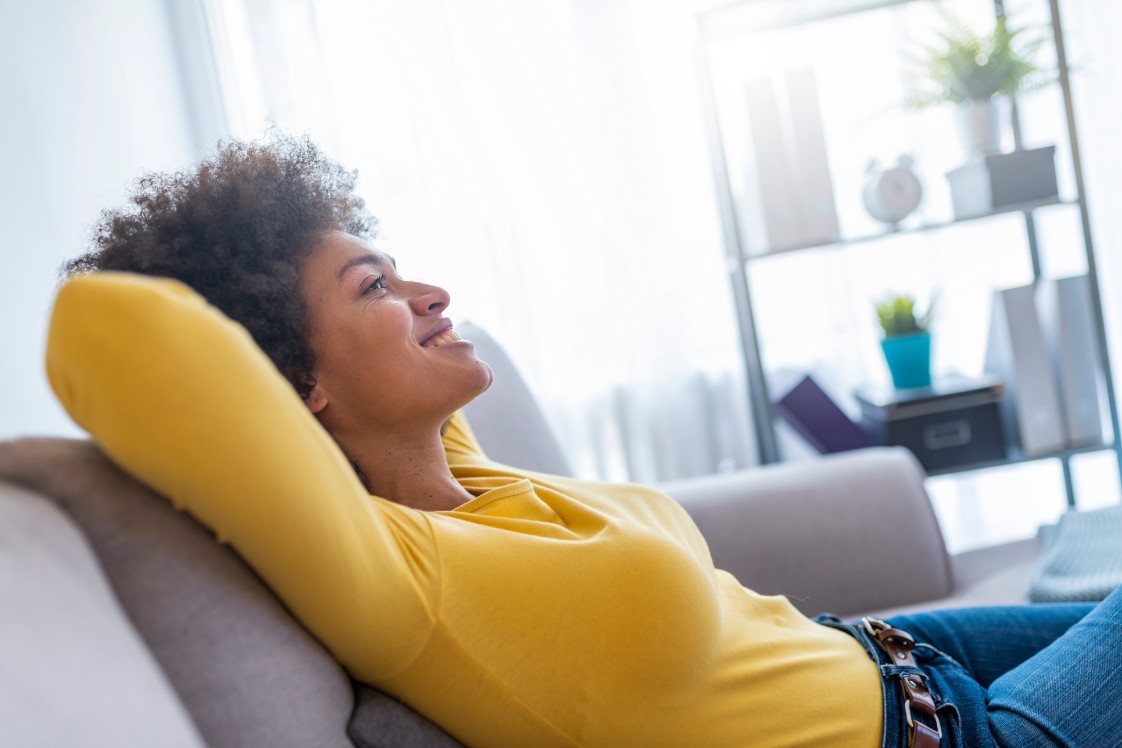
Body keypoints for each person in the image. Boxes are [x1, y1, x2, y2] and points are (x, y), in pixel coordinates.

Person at [49, 135, 1121, 748]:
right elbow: (112, 330)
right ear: (294, 383)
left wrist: (354, 289)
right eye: (376, 288)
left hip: (904, 662)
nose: (429, 292)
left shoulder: (461, 479)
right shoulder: (398, 576)